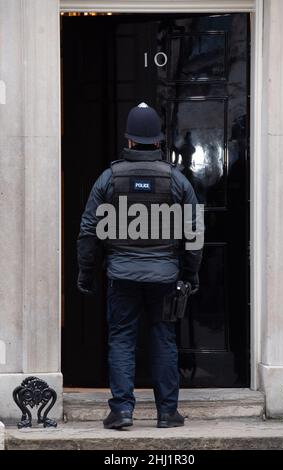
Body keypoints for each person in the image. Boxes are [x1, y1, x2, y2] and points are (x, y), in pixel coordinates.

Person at [77, 102, 203, 430]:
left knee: (121, 339)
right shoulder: (177, 181)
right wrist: (190, 275)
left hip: (121, 275)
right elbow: (194, 234)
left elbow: (89, 230)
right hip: (165, 276)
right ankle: (166, 413)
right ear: (159, 142)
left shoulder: (109, 178)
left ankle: (121, 411)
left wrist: (86, 272)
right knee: (163, 338)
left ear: (129, 141)